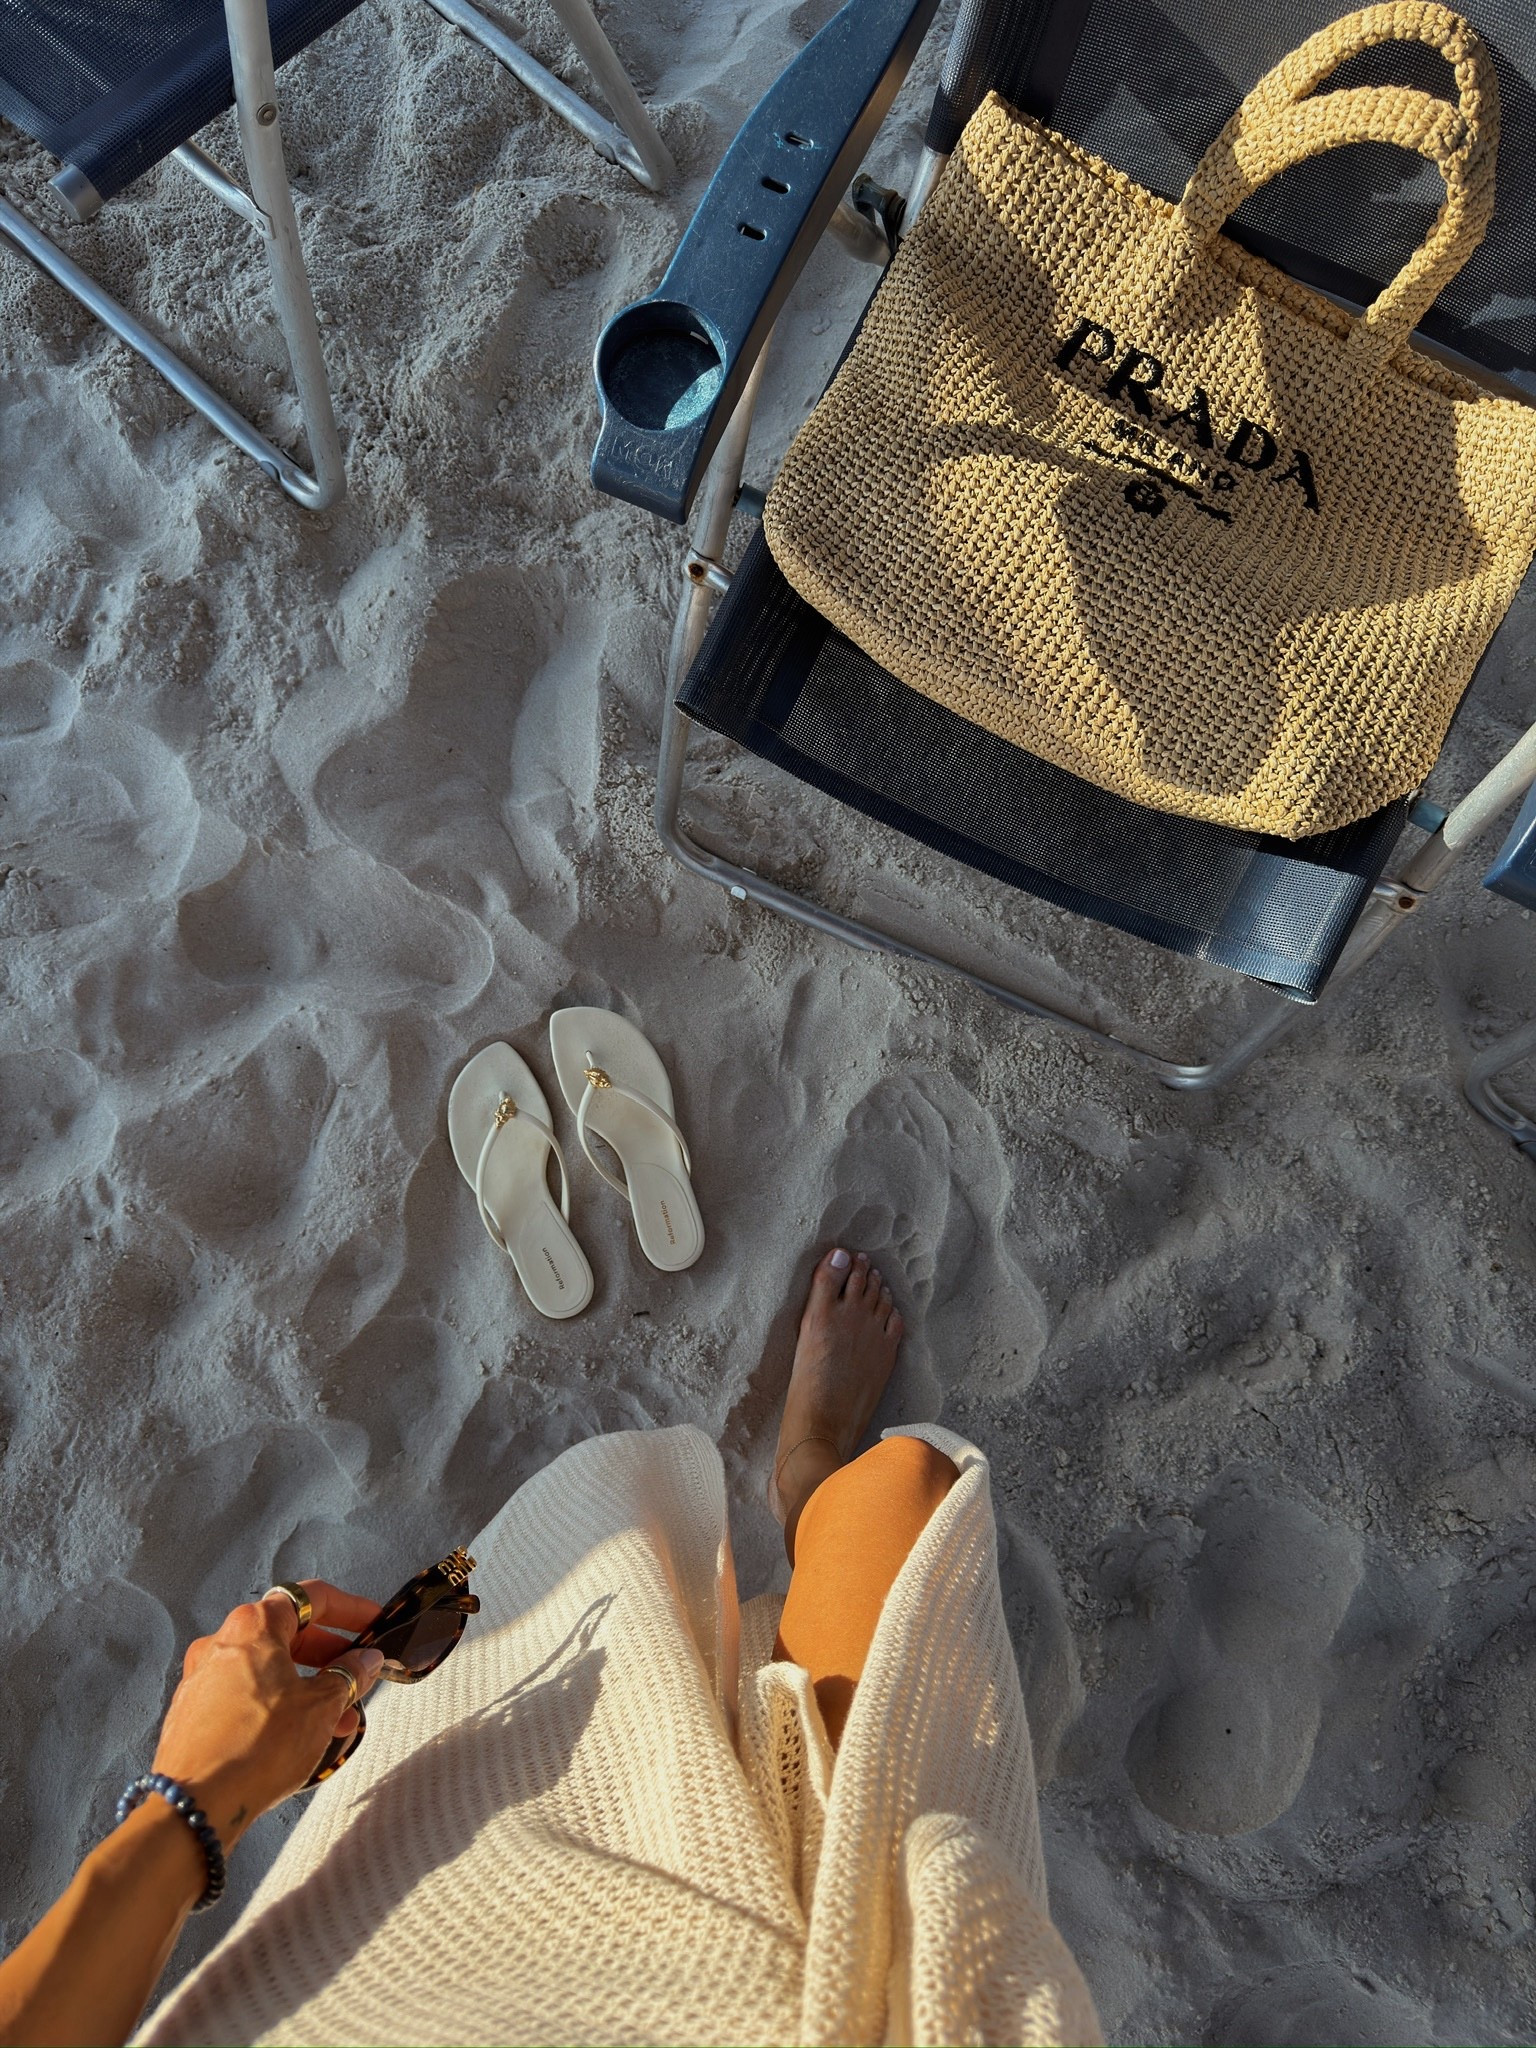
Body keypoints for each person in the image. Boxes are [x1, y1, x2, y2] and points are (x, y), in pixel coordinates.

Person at [0, 1249, 1100, 2047]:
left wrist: (197, 1799)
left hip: (458, 1960)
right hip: (829, 2005)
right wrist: (192, 1793)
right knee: (899, 1495)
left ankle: (797, 1516)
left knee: (555, 1634)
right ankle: (806, 1478)